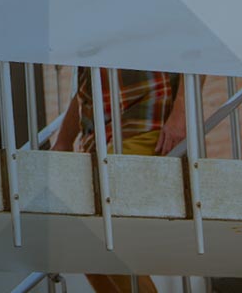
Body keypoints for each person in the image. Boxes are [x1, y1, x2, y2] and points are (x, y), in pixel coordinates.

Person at [52, 68, 186, 293]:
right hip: (96, 138)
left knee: (99, 232)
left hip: (144, 121)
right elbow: (88, 81)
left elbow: (196, 50)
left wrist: (182, 112)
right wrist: (64, 140)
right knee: (82, 241)